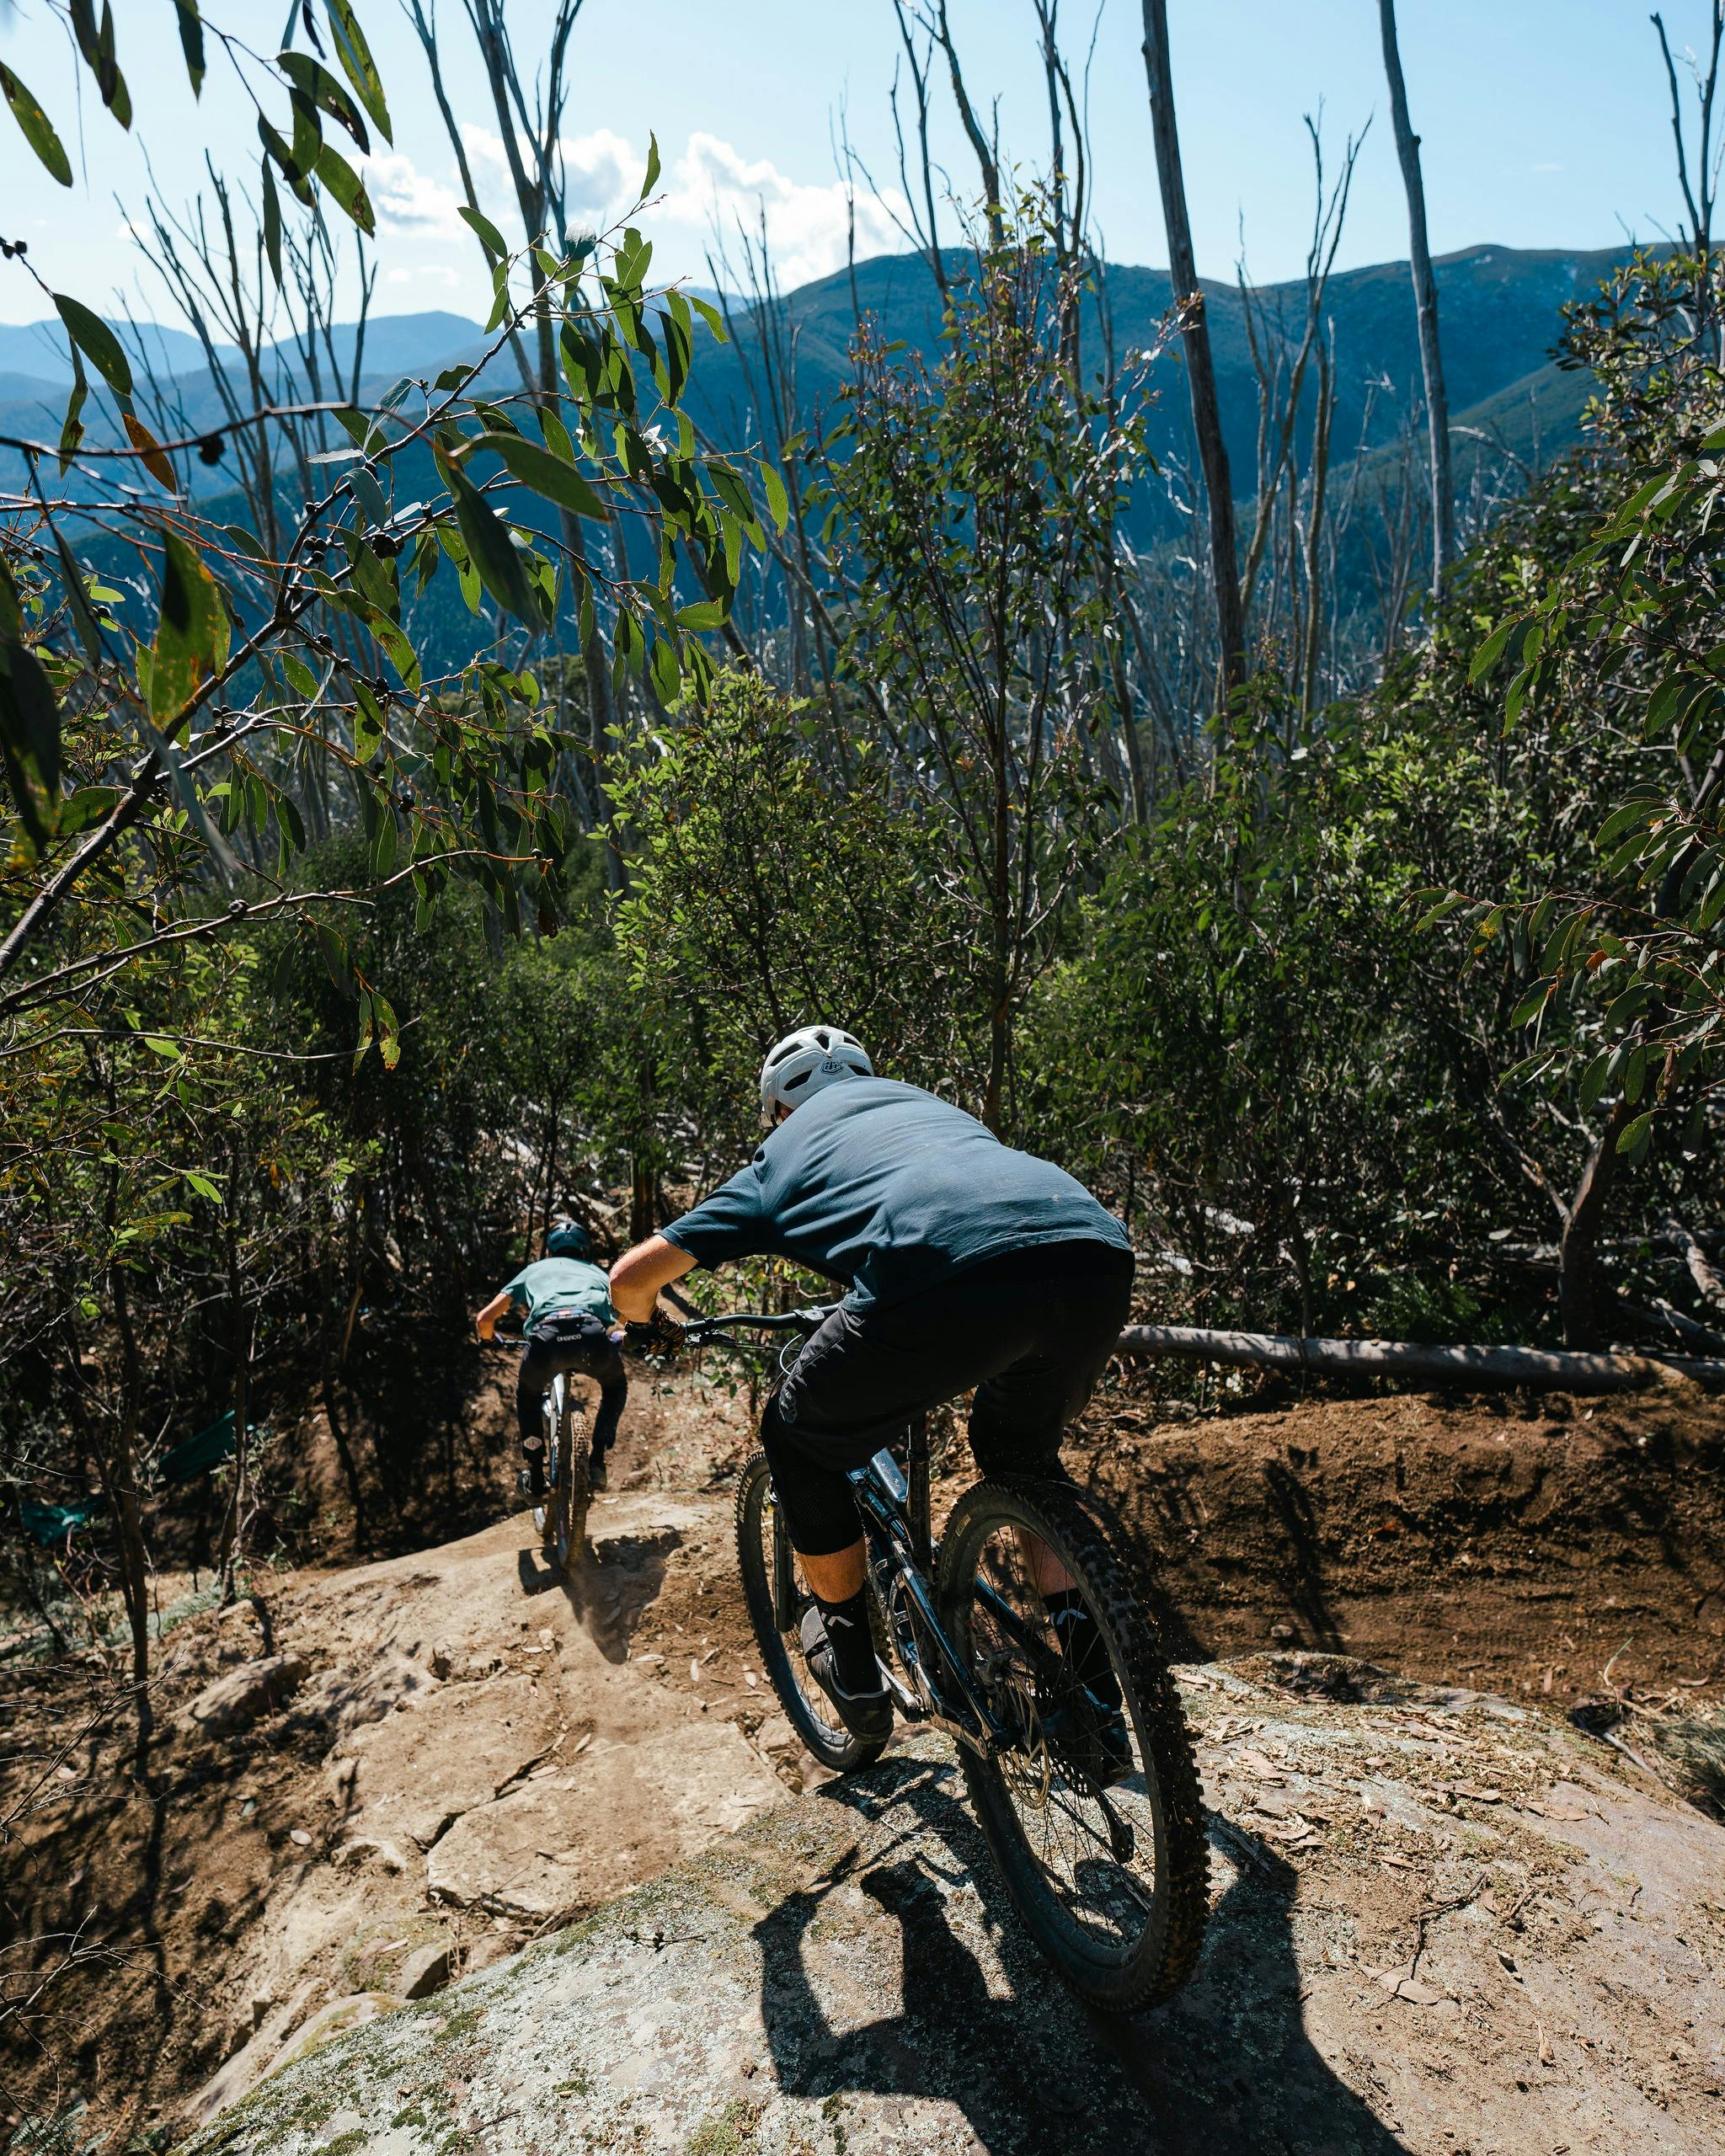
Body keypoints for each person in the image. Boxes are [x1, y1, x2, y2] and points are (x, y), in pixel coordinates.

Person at [607, 1025, 1134, 1747]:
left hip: (942, 1271)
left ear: (778, 1111)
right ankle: (1098, 1694)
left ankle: (855, 1672)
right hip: (1093, 1253)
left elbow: (629, 1280)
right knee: (1021, 1458)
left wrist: (648, 1326)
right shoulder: (930, 1109)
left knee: (796, 1439)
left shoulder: (782, 1153)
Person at [474, 1221, 628, 1498]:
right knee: (615, 1386)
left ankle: (535, 1475)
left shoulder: (533, 1271)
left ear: (549, 1250)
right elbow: (627, 1313)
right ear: (584, 1249)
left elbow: (484, 1319)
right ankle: (597, 1461)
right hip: (591, 1337)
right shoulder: (597, 1273)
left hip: (546, 1341)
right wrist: (619, 1333)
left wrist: (489, 1339)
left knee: (528, 1396)